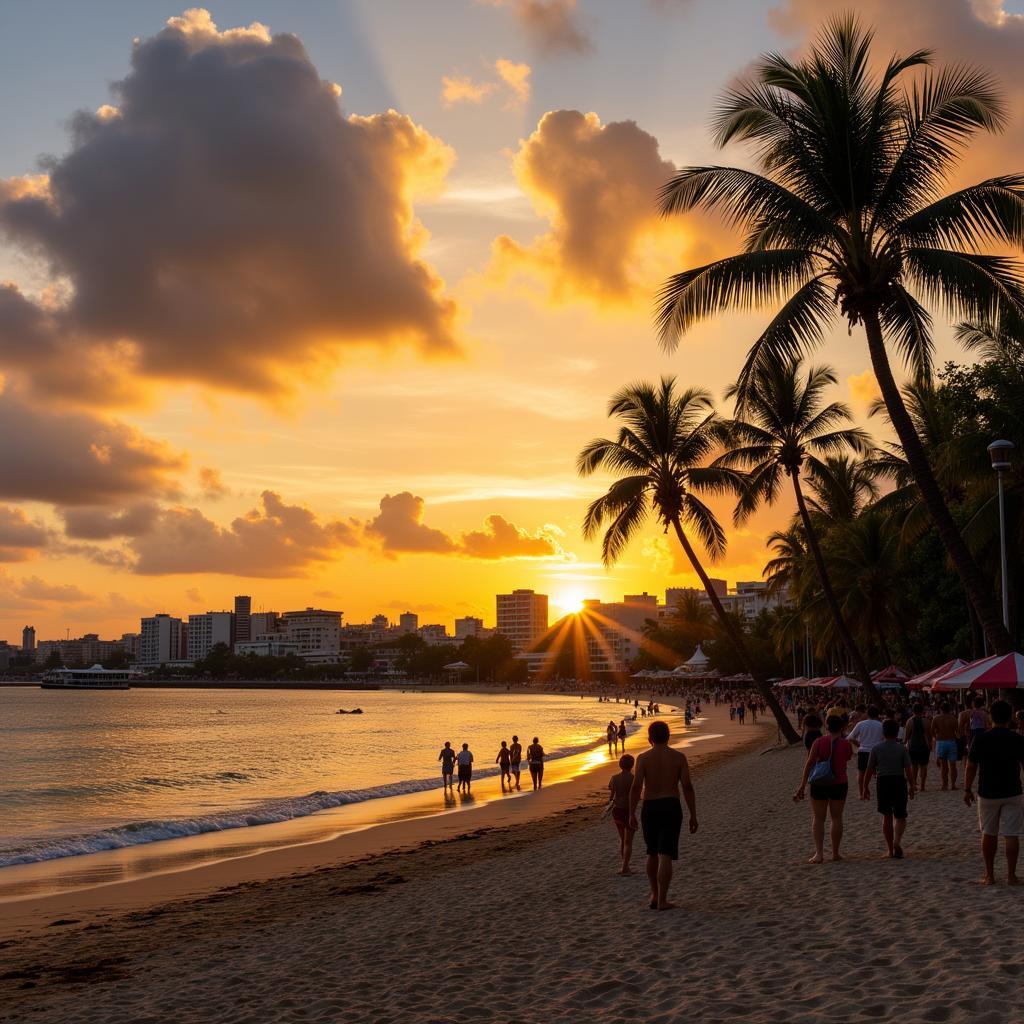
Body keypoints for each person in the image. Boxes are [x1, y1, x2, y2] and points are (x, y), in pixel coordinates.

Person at [628, 720, 697, 911]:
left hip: (650, 807)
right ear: (669, 737)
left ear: (649, 738)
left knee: (652, 852)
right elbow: (687, 786)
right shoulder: (679, 757)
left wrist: (631, 812)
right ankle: (662, 900)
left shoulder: (642, 758)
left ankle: (655, 894)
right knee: (665, 852)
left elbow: (636, 787)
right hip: (671, 805)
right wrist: (693, 814)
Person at [964, 699, 1024, 886]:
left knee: (989, 833)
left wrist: (967, 788)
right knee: (1011, 834)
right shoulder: (1017, 739)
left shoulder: (980, 738)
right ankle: (1012, 876)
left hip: (987, 791)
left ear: (990, 717)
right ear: (1010, 718)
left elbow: (971, 765)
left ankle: (989, 875)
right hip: (1012, 790)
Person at [794, 715, 853, 864]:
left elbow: (809, 763)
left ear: (826, 726)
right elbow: (847, 759)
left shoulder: (818, 742)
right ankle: (835, 853)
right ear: (842, 728)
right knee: (836, 818)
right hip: (839, 782)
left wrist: (803, 784)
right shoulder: (845, 744)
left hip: (819, 783)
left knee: (819, 818)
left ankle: (819, 854)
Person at [861, 718, 915, 858]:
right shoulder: (902, 749)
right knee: (901, 815)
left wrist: (865, 786)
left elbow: (869, 769)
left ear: (882, 732)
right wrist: (912, 785)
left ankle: (890, 849)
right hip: (898, 780)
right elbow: (908, 769)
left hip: (883, 781)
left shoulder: (876, 749)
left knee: (887, 815)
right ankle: (897, 841)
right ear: (897, 732)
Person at [607, 753, 637, 875]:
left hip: (617, 811)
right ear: (632, 765)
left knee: (623, 840)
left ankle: (624, 865)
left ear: (620, 765)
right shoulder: (634, 778)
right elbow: (636, 796)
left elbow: (611, 796)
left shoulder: (614, 778)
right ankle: (625, 867)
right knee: (628, 842)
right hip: (628, 811)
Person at [848, 706, 884, 800]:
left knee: (861, 773)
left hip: (863, 751)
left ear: (868, 714)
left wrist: (859, 744)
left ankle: (862, 793)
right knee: (879, 773)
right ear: (877, 715)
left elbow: (850, 738)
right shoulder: (880, 725)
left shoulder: (861, 724)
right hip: (877, 751)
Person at [931, 701, 961, 791]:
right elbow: (958, 733)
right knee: (953, 766)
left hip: (941, 742)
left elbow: (931, 731)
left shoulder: (936, 718)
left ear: (941, 709)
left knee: (943, 766)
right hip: (951, 742)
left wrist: (936, 736)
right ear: (949, 709)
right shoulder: (953, 719)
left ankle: (944, 785)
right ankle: (953, 785)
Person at [905, 702, 931, 792]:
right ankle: (922, 786)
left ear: (913, 710)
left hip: (913, 747)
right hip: (924, 747)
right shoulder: (926, 721)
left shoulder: (909, 721)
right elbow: (929, 736)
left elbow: (906, 737)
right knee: (924, 766)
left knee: (914, 767)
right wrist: (929, 747)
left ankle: (914, 785)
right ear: (922, 711)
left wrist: (905, 744)